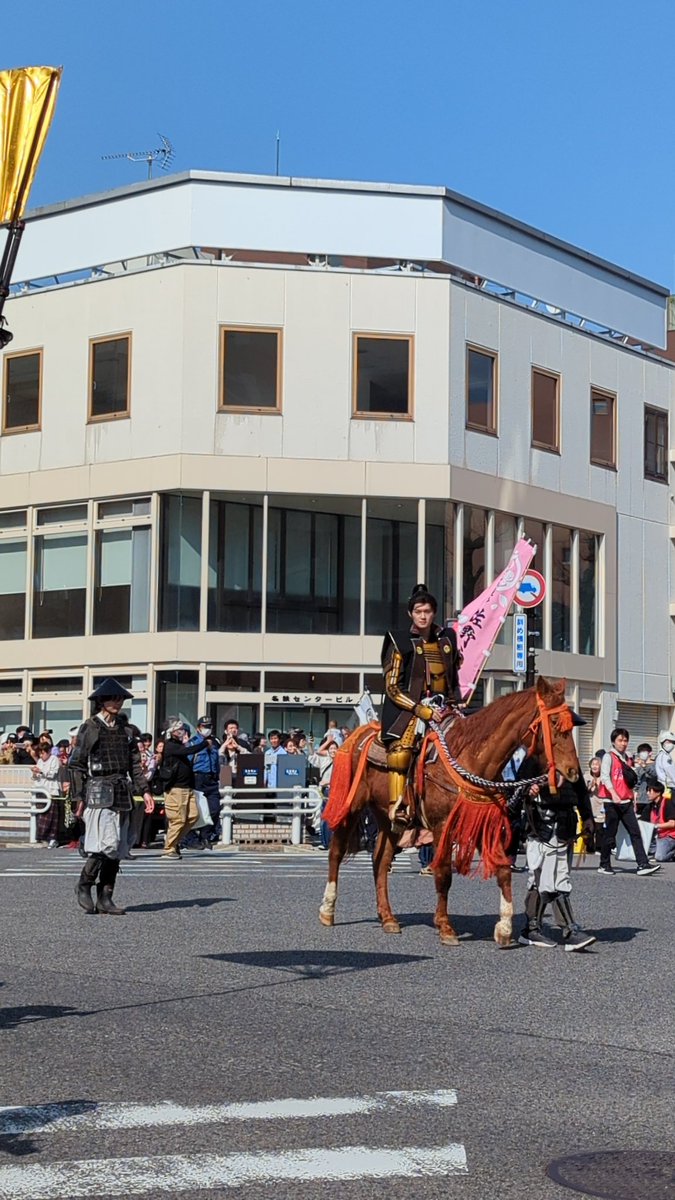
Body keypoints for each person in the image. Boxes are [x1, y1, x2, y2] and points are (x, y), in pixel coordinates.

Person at [380, 581, 462, 825]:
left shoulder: (448, 639)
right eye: (418, 612)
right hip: (409, 709)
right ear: (410, 614)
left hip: (445, 707)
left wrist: (456, 703)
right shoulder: (399, 641)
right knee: (401, 753)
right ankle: (399, 808)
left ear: (434, 612)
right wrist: (420, 709)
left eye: (427, 611)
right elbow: (392, 687)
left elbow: (452, 678)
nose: (423, 616)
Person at [70, 679, 154, 915]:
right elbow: (76, 764)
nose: (118, 702)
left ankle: (106, 897)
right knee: (103, 844)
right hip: (98, 789)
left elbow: (135, 766)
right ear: (102, 701)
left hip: (122, 790)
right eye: (113, 698)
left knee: (117, 847)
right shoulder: (90, 727)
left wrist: (145, 790)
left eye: (120, 699)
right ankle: (84, 885)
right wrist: (78, 797)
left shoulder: (127, 731)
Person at [516, 740, 597, 951]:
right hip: (542, 823)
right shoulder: (535, 757)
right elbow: (517, 789)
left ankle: (534, 929)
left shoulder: (571, 758)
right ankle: (565, 930)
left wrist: (588, 816)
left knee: (558, 876)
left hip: (565, 825)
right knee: (544, 878)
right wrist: (529, 789)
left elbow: (580, 790)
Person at [598, 728, 660, 876]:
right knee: (610, 834)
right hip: (612, 801)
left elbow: (630, 781)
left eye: (625, 740)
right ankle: (604, 864)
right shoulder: (608, 757)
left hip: (625, 801)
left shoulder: (628, 758)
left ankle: (642, 864)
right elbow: (605, 777)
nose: (623, 743)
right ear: (613, 741)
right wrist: (613, 794)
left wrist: (632, 798)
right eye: (620, 740)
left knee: (635, 832)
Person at [161, 720, 210, 860]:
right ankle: (169, 848)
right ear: (171, 731)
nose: (181, 731)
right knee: (178, 819)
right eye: (178, 729)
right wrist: (204, 743)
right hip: (176, 789)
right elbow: (189, 750)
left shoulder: (179, 745)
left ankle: (175, 842)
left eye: (182, 728)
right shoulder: (170, 745)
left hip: (187, 788)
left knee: (193, 816)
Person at [187, 715, 222, 847]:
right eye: (204, 727)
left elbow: (216, 762)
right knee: (197, 810)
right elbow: (189, 761)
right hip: (197, 778)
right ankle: (192, 838)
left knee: (215, 809)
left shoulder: (214, 743)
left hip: (211, 779)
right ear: (198, 728)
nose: (207, 729)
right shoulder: (193, 742)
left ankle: (204, 835)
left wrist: (217, 776)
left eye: (209, 727)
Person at [645, 779, 675, 862]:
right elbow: (642, 821)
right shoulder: (651, 806)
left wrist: (655, 826)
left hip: (670, 836)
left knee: (660, 857)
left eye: (649, 791)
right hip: (658, 835)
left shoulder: (667, 803)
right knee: (644, 850)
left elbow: (673, 823)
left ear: (658, 792)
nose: (647, 793)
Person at [584, 756, 605, 853]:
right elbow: (583, 792)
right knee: (589, 828)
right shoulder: (586, 776)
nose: (595, 766)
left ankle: (599, 847)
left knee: (599, 828)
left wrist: (598, 787)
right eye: (593, 764)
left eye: (597, 764)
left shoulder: (604, 776)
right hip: (590, 804)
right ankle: (589, 847)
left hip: (600, 804)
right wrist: (590, 788)